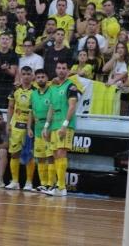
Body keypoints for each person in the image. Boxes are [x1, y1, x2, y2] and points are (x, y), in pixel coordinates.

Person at [43, 61, 79, 197]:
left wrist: (64, 125)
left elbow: (72, 106)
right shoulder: (53, 88)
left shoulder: (71, 86)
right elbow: (51, 108)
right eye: (59, 68)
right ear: (55, 69)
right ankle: (55, 185)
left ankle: (62, 187)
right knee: (55, 155)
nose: (61, 70)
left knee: (61, 153)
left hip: (65, 125)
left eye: (64, 68)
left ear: (68, 70)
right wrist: (46, 126)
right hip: (54, 126)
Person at [5, 66, 36, 191]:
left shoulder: (36, 91)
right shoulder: (15, 89)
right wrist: (8, 123)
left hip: (29, 126)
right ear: (21, 75)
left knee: (29, 154)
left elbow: (35, 110)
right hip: (16, 125)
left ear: (32, 75)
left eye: (29, 74)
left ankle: (29, 183)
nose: (26, 76)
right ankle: (15, 181)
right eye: (24, 74)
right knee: (14, 153)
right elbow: (10, 107)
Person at [29, 68, 55, 192]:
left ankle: (51, 184)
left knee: (50, 156)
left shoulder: (52, 91)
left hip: (50, 128)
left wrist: (49, 126)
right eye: (38, 77)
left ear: (47, 78)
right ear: (35, 79)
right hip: (38, 128)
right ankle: (43, 184)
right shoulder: (33, 94)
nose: (40, 79)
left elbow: (54, 109)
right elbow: (31, 112)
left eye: (43, 77)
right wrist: (29, 127)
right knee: (40, 157)